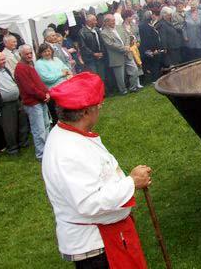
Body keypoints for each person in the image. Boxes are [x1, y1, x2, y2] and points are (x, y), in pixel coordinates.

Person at [42, 73, 151, 268]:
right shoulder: (67, 151)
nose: (100, 108)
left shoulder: (70, 135)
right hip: (97, 243)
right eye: (97, 105)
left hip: (106, 234)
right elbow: (90, 202)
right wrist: (131, 182)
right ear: (85, 112)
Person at [0, 50, 29, 155]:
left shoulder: (5, 69)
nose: (4, 61)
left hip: (16, 101)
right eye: (1, 59)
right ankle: (13, 149)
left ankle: (23, 144)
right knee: (9, 128)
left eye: (4, 59)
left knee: (22, 124)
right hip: (4, 105)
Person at [14, 44, 51, 160]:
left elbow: (38, 82)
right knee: (38, 129)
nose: (29, 55)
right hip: (33, 103)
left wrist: (46, 93)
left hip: (40, 100)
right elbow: (29, 88)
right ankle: (41, 154)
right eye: (27, 54)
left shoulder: (30, 65)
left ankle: (48, 150)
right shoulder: (20, 68)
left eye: (31, 53)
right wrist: (43, 95)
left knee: (46, 125)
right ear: (20, 55)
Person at [101, 14, 140, 95]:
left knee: (134, 70)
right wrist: (124, 48)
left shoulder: (119, 27)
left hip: (127, 53)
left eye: (114, 20)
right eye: (112, 21)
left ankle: (133, 87)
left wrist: (127, 46)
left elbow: (127, 37)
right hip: (117, 56)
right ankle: (123, 90)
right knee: (120, 77)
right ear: (106, 22)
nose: (114, 22)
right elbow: (110, 44)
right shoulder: (104, 33)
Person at [78, 14, 106, 81]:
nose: (96, 22)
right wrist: (93, 54)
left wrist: (101, 52)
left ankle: (104, 90)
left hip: (100, 56)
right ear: (88, 21)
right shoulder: (82, 32)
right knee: (94, 76)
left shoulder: (96, 29)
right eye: (94, 20)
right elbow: (83, 47)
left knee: (102, 75)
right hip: (90, 59)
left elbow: (102, 42)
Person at [139, 10, 164, 82]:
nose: (153, 16)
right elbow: (149, 39)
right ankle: (154, 79)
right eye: (152, 15)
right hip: (150, 49)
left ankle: (154, 78)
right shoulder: (145, 26)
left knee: (153, 64)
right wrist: (154, 49)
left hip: (149, 48)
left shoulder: (146, 25)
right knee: (154, 64)